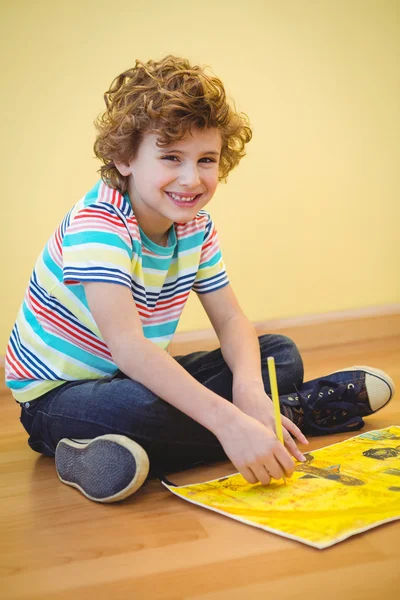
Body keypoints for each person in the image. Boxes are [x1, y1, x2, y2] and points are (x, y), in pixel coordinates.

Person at [5, 55, 395, 503]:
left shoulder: (195, 226)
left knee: (276, 354)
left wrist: (248, 391)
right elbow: (129, 349)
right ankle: (293, 414)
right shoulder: (100, 225)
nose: (191, 179)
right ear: (124, 157)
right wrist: (229, 420)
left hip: (136, 377)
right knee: (141, 410)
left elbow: (230, 320)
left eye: (206, 160)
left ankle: (222, 428)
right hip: (57, 399)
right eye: (171, 157)